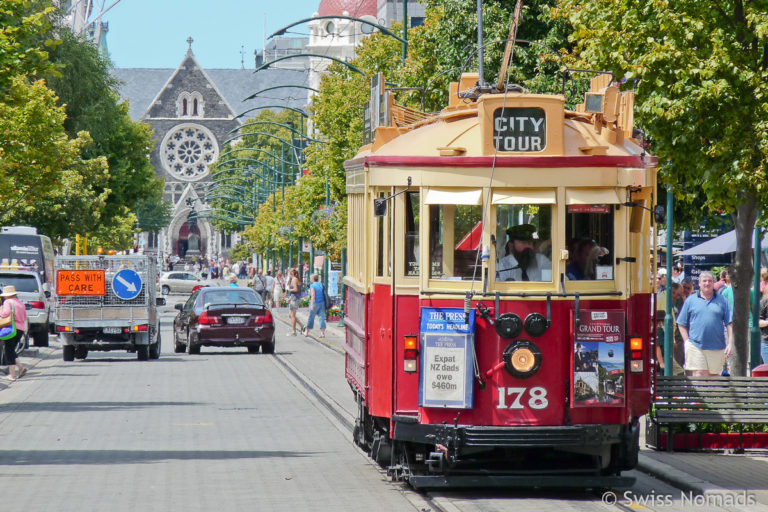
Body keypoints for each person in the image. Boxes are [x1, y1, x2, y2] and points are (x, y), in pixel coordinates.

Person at [676, 271, 732, 377]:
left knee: (713, 376)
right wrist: (687, 341)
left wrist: (730, 343)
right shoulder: (690, 300)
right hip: (695, 345)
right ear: (699, 284)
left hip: (717, 346)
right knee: (700, 374)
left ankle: (711, 394)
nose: (707, 283)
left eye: (710, 281)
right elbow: (681, 323)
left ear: (713, 283)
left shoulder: (723, 300)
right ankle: (701, 394)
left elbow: (729, 323)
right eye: (704, 281)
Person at [0, 286, 27, 381]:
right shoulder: (21, 303)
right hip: (20, 329)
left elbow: (4, 314)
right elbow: (24, 317)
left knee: (8, 350)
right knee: (11, 349)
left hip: (11, 328)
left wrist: (1, 309)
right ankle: (20, 367)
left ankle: (12, 374)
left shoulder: (8, 302)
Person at [303, 274, 327, 338]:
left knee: (311, 317)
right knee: (321, 317)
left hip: (315, 303)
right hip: (322, 303)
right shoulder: (321, 284)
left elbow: (313, 295)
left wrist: (312, 305)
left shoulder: (312, 285)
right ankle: (322, 333)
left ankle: (307, 332)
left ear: (313, 279)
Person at [287, 268, 302, 335]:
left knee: (292, 315)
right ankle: (301, 326)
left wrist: (289, 289)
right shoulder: (296, 279)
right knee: (290, 315)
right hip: (294, 298)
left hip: (295, 299)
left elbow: (295, 290)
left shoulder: (294, 279)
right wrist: (290, 298)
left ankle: (294, 331)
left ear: (291, 273)